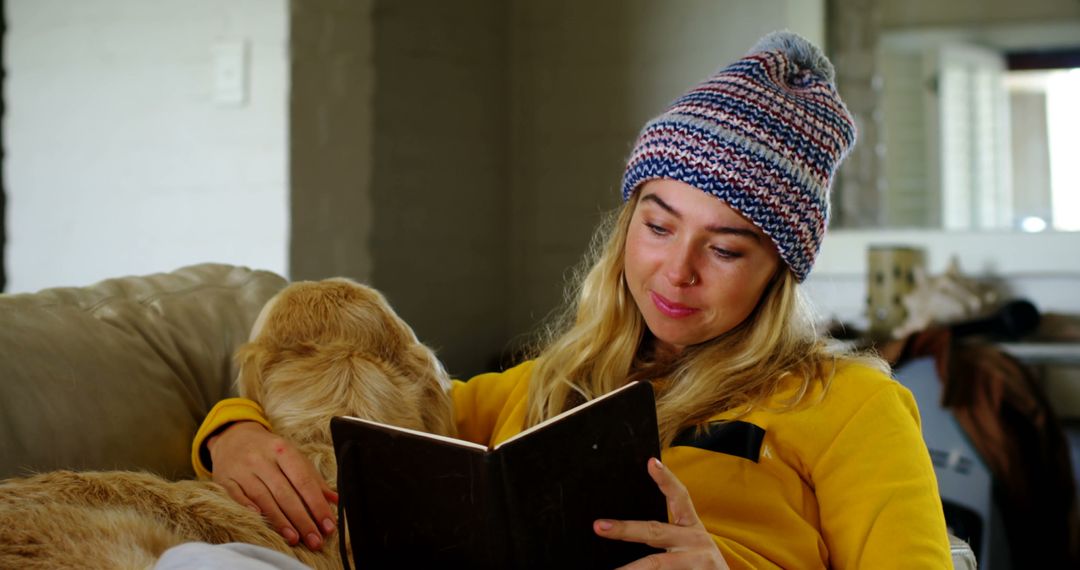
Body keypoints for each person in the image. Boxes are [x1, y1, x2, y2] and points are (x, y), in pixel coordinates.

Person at [192, 31, 953, 568]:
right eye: (657, 225)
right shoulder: (546, 382)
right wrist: (234, 432)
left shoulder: (848, 404)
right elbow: (381, 419)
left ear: (779, 270)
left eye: (725, 248)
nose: (676, 271)